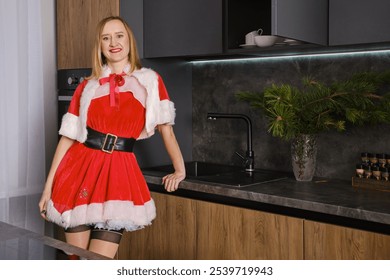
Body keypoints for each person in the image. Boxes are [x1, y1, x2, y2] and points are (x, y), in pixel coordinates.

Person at [38, 16, 186, 259]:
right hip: (78, 171)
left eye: (119, 36)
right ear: (100, 45)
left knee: (98, 263)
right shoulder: (87, 86)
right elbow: (68, 138)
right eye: (105, 38)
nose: (113, 42)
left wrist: (179, 170)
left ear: (129, 41)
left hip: (118, 173)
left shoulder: (149, 81)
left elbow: (166, 129)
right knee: (75, 259)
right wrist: (47, 188)